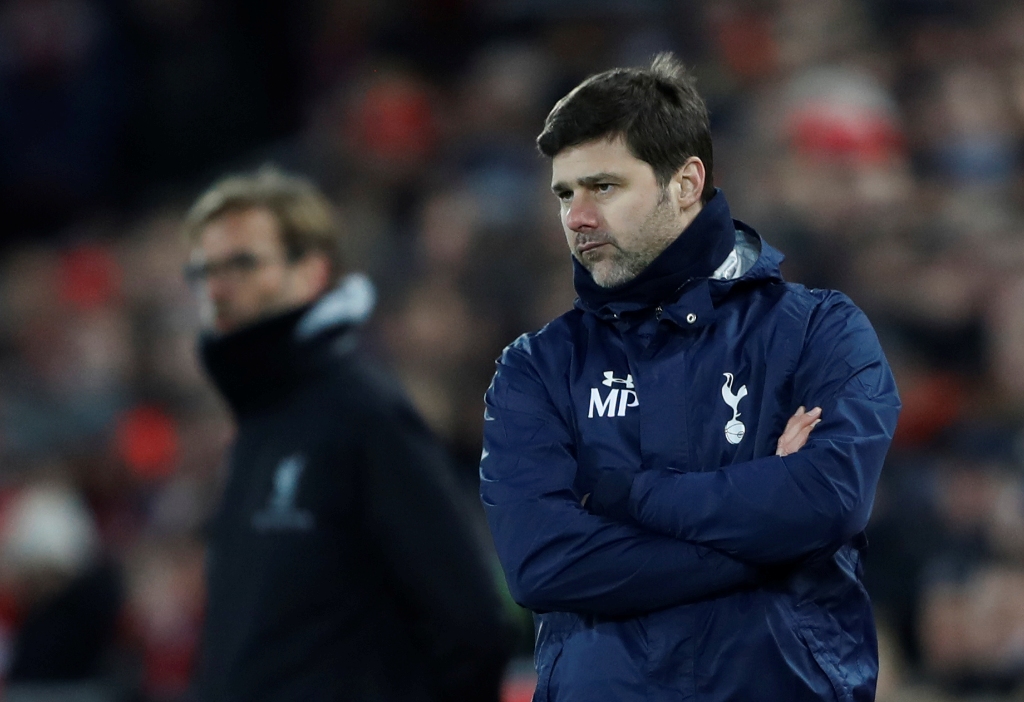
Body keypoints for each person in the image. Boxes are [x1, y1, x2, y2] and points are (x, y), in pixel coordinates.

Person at [480, 53, 900, 702]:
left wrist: (630, 496)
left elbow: (829, 500)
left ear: (684, 183)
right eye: (565, 193)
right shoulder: (537, 369)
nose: (577, 218)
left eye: (604, 187)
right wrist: (768, 534)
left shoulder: (820, 331)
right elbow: (544, 566)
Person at [183, 168, 512, 702]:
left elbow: (472, 626)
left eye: (242, 263)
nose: (217, 288)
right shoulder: (262, 421)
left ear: (311, 272)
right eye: (204, 270)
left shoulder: (361, 413)